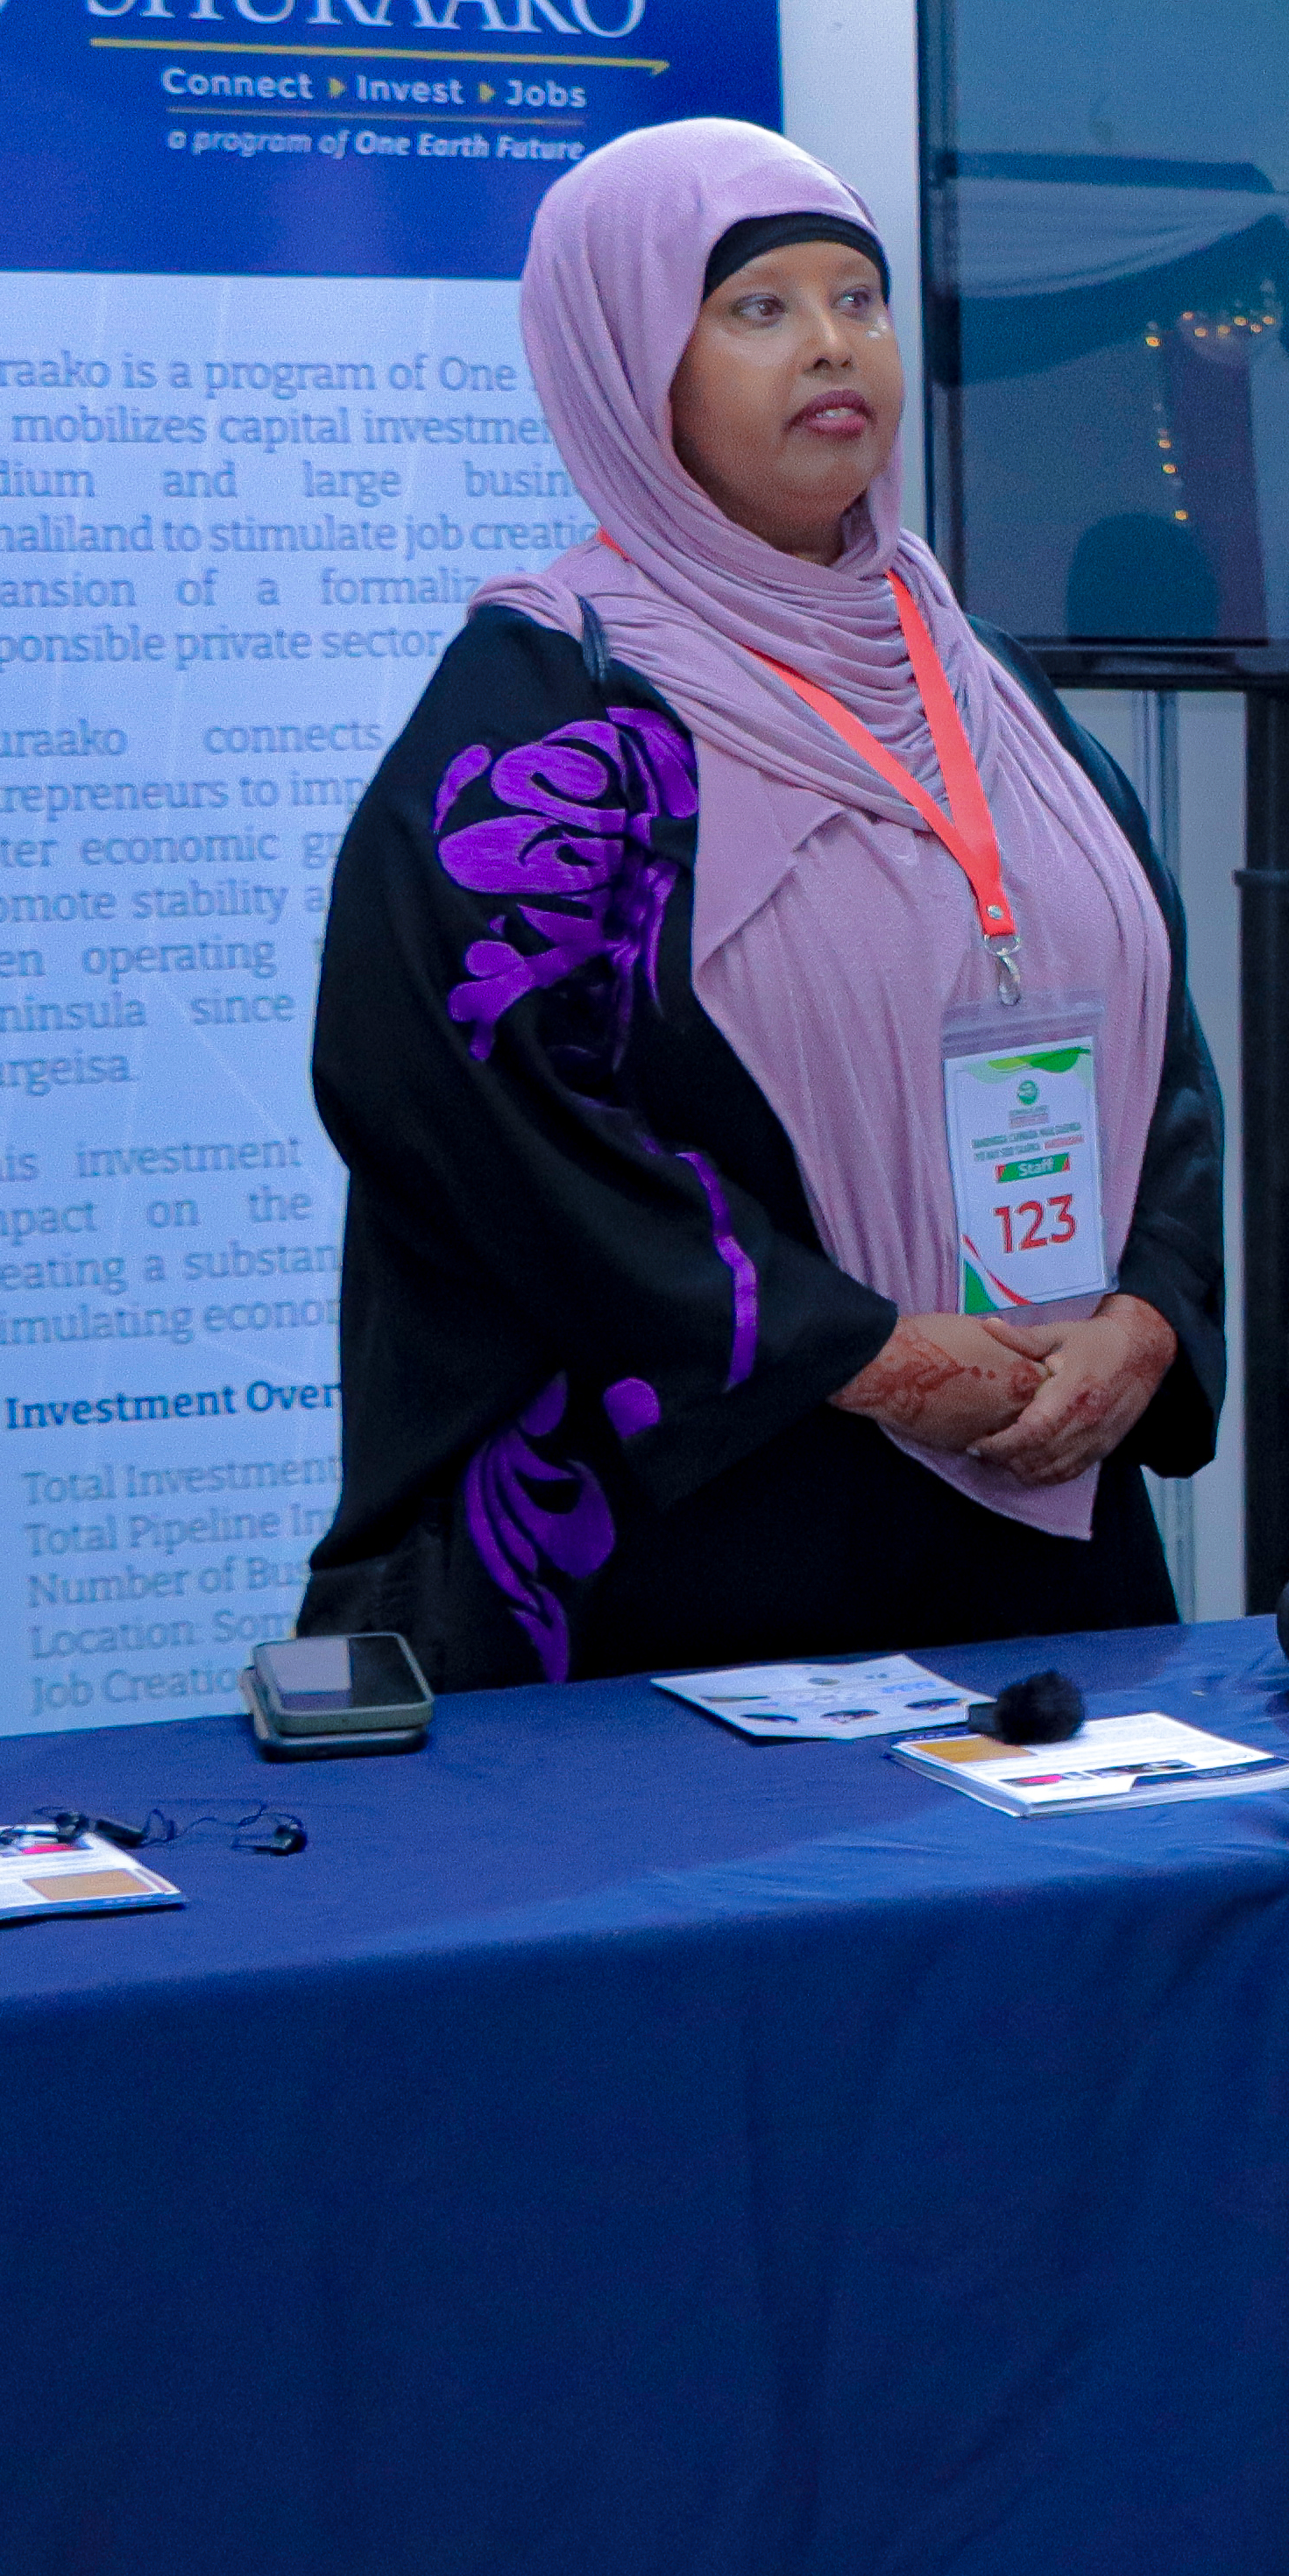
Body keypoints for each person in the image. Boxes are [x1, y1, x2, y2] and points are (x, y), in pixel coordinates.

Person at [301, 122, 1222, 1684]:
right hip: (687, 1555)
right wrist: (846, 1351)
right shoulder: (548, 713)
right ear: (629, 366)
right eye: (757, 309)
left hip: (1029, 1494)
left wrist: (1153, 1315)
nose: (830, 346)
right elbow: (477, 1120)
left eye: (857, 297)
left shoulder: (982, 680)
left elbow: (1158, 1052)